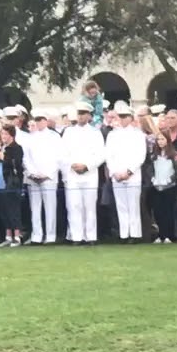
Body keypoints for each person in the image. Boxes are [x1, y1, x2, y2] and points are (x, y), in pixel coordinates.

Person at [61, 102, 105, 245]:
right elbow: (63, 153)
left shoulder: (95, 132)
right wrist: (72, 165)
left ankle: (90, 236)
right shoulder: (69, 132)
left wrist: (87, 166)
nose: (80, 116)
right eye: (79, 113)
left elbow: (100, 154)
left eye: (83, 113)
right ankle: (76, 236)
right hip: (73, 173)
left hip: (90, 173)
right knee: (74, 206)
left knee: (89, 206)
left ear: (89, 116)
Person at [105, 103, 146, 243]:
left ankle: (134, 234)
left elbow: (141, 155)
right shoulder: (112, 135)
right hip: (117, 174)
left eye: (125, 116)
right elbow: (108, 155)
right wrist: (114, 172)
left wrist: (129, 171)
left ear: (130, 117)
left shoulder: (138, 134)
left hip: (132, 174)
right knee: (121, 205)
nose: (122, 119)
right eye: (120, 116)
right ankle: (124, 234)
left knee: (133, 206)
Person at [24, 111, 63, 245]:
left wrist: (47, 174)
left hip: (49, 177)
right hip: (34, 177)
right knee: (34, 208)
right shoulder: (30, 138)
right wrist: (32, 173)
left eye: (41, 119)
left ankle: (50, 236)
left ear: (46, 121)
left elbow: (59, 158)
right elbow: (26, 158)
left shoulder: (54, 137)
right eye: (37, 119)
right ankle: (36, 235)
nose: (39, 122)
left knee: (50, 207)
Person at [0, 125, 25, 246]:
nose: (3, 137)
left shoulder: (16, 148)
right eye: (2, 134)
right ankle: (8, 236)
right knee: (3, 211)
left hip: (11, 184)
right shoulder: (2, 148)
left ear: (11, 135)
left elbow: (16, 165)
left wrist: (3, 157)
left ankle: (17, 236)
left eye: (5, 134)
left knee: (13, 211)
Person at [148, 131, 177, 243]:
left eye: (162, 139)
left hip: (169, 188)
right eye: (158, 140)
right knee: (158, 212)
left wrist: (169, 180)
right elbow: (150, 170)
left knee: (168, 212)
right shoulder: (154, 156)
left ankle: (168, 235)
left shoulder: (174, 155)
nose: (160, 142)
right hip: (157, 187)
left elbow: (176, 172)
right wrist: (153, 179)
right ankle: (160, 235)